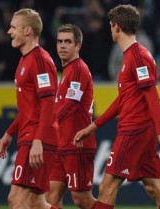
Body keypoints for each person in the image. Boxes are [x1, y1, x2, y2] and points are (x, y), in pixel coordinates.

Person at [74, 4, 160, 209]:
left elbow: (153, 98)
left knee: (107, 185)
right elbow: (122, 100)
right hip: (140, 130)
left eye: (110, 26)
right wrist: (93, 127)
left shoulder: (138, 56)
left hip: (134, 130)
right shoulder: (131, 56)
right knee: (154, 187)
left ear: (116, 27)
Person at [0, 8, 58, 209]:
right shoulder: (25, 60)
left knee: (16, 199)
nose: (9, 31)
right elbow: (30, 108)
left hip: (37, 138)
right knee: (36, 202)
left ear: (27, 31)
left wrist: (38, 140)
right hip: (30, 135)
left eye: (13, 27)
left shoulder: (39, 60)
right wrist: (9, 133)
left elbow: (48, 102)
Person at [46, 24, 96, 209]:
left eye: (68, 42)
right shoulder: (67, 71)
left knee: (81, 199)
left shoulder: (77, 69)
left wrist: (45, 124)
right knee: (51, 198)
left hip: (77, 144)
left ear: (78, 46)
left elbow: (70, 105)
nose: (62, 46)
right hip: (61, 143)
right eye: (60, 41)